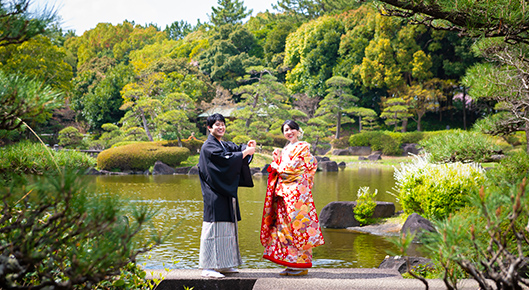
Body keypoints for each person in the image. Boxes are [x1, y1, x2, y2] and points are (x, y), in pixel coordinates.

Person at [260, 120, 324, 276]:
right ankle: (289, 261)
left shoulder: (303, 148)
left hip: (297, 194)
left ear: (298, 130)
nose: (289, 132)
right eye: (286, 130)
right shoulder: (286, 148)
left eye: (292, 129)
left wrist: (278, 167)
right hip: (283, 193)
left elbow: (298, 168)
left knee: (299, 227)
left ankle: (301, 265)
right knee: (284, 227)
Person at [198, 113, 256, 278]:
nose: (221, 127)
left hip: (225, 192)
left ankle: (224, 264)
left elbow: (236, 150)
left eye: (222, 124)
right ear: (209, 128)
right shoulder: (209, 146)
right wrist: (245, 153)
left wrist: (247, 147)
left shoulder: (222, 144)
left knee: (227, 230)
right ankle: (208, 267)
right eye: (217, 124)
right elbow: (226, 161)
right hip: (214, 194)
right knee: (213, 230)